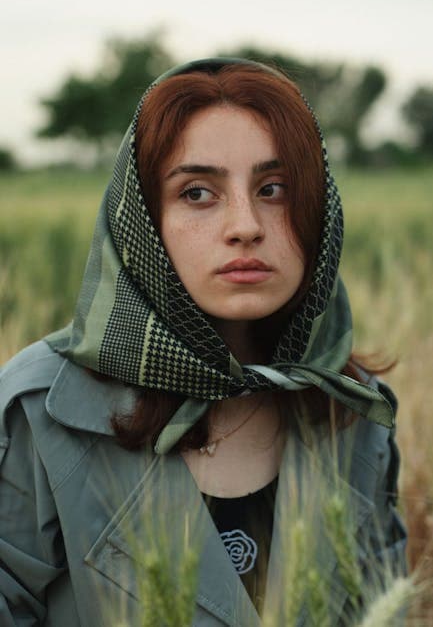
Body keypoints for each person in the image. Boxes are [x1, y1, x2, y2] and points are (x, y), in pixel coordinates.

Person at [0, 58, 407, 626]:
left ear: (319, 212)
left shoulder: (355, 406)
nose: (246, 224)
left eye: (275, 188)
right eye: (197, 193)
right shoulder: (39, 407)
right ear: (141, 220)